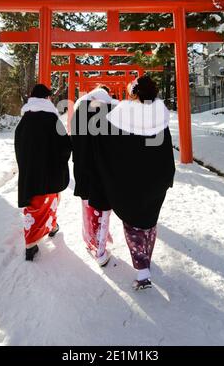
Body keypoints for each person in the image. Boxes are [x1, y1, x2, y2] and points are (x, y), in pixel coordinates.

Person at [90, 76, 175, 290]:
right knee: (149, 221)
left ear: (134, 93)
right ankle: (146, 257)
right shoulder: (159, 116)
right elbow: (166, 150)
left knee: (133, 224)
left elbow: (105, 145)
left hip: (127, 181)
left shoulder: (120, 115)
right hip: (155, 179)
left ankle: (142, 268)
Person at [15, 83, 72, 261]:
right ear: (47, 98)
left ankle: (44, 233)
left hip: (30, 173)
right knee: (50, 201)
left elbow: (18, 146)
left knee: (33, 206)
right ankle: (34, 242)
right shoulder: (52, 119)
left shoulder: (25, 120)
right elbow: (65, 147)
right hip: (50, 173)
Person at [71, 86, 118, 267]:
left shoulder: (79, 111)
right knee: (102, 211)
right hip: (103, 171)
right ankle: (100, 250)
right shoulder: (111, 112)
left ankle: (89, 239)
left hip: (83, 168)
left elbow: (74, 140)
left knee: (87, 208)